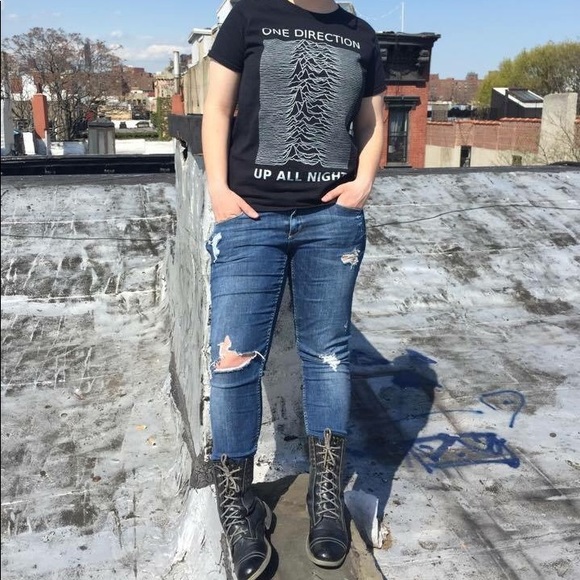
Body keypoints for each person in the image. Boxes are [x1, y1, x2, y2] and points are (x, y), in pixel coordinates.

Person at [201, 1, 386, 578]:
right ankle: (239, 507)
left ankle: (325, 498)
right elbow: (217, 108)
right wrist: (218, 191)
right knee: (232, 363)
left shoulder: (361, 34)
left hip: (331, 222)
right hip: (249, 219)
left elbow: (372, 122)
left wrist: (362, 183)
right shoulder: (248, 16)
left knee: (328, 356)